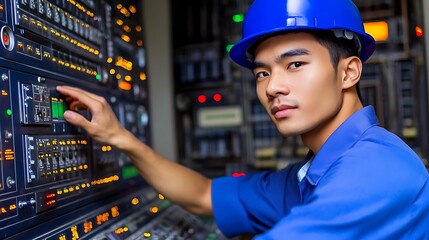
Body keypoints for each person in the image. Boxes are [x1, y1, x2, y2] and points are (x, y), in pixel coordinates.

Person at [56, 0, 429, 239]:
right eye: (262, 73)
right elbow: (205, 196)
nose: (273, 87)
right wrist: (120, 136)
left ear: (349, 73)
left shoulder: (375, 170)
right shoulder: (310, 174)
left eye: (295, 64)